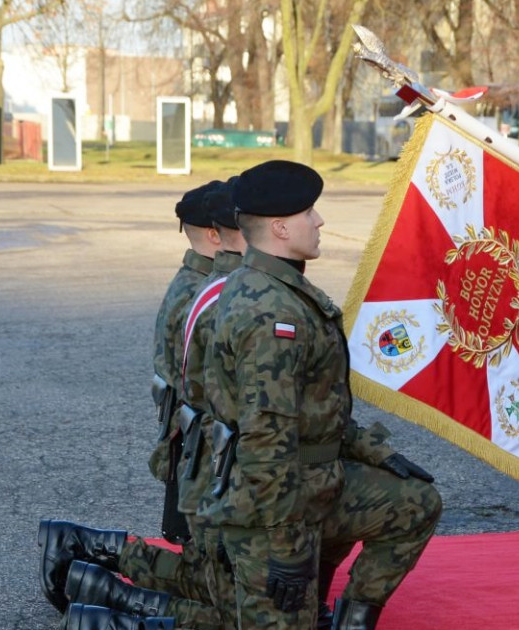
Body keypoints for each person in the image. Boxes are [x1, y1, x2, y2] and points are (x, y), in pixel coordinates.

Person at [197, 160, 443, 630]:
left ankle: (348, 623)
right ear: (281, 227)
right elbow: (265, 443)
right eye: (310, 212)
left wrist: (377, 453)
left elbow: (313, 406)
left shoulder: (282, 287)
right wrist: (286, 548)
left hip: (312, 487)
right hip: (270, 514)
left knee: (414, 503)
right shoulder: (270, 311)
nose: (320, 221)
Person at [38, 182, 227, 629]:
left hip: (193, 442)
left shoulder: (195, 283)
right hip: (201, 449)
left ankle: (95, 578)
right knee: (222, 590)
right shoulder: (206, 291)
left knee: (213, 577)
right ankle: (106, 590)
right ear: (217, 234)